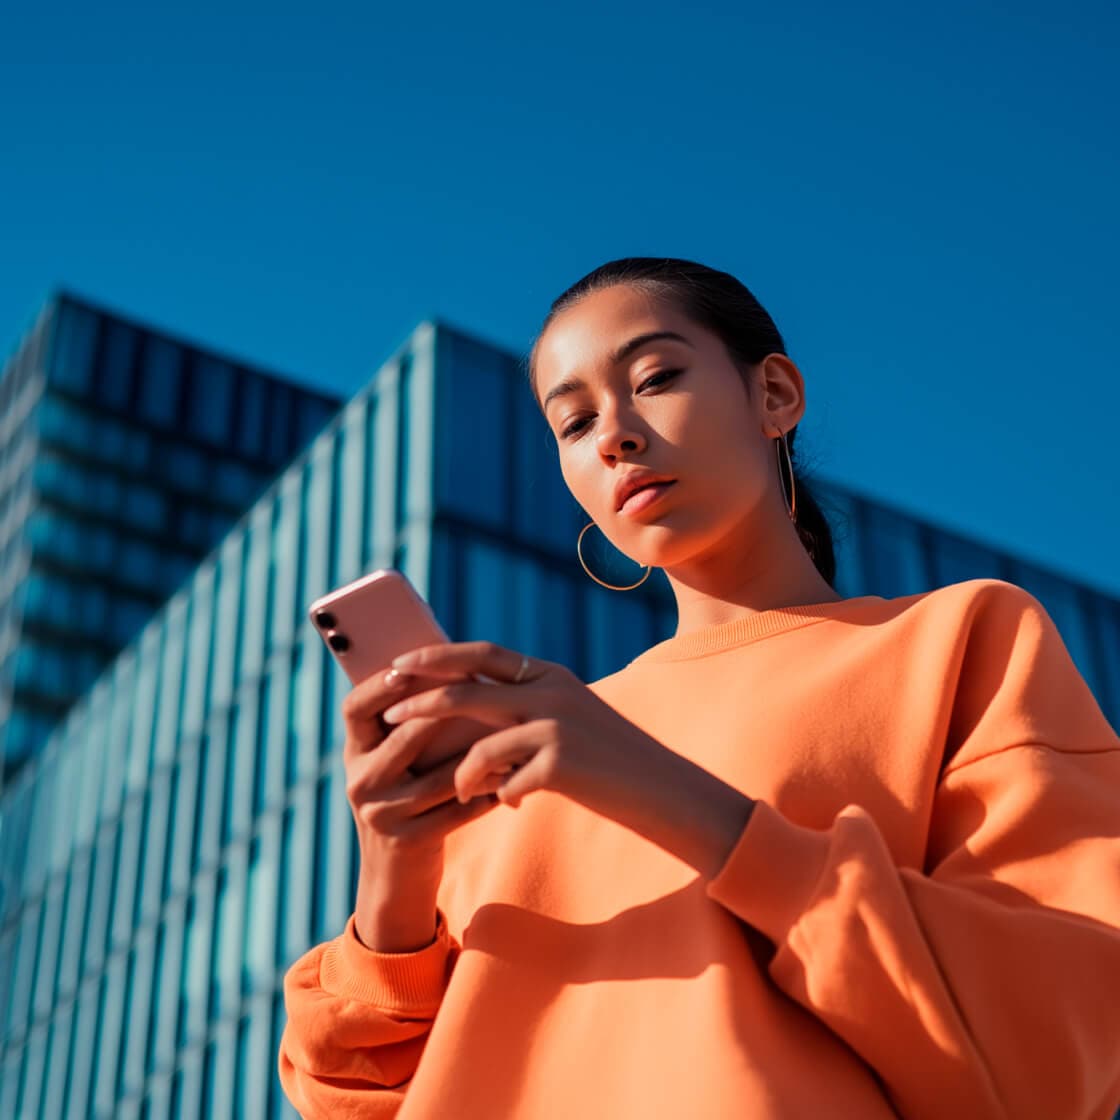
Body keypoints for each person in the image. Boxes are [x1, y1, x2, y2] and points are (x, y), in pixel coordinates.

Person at [277, 257, 1120, 1119]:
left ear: (777, 396)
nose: (614, 435)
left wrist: (662, 791)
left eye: (656, 377)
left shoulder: (959, 637)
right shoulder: (520, 748)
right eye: (573, 423)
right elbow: (353, 1094)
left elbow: (1062, 1029)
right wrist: (396, 870)